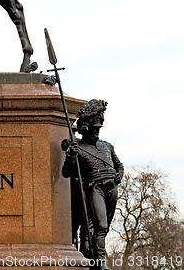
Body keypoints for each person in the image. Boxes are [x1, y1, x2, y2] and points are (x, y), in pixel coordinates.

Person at [62, 99, 124, 270]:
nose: (97, 132)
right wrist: (70, 156)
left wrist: (119, 174)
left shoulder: (107, 146)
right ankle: (100, 263)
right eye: (94, 129)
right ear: (86, 128)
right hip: (95, 187)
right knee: (100, 226)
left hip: (112, 188)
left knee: (104, 229)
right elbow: (66, 173)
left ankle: (97, 261)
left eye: (98, 129)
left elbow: (119, 164)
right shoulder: (79, 148)